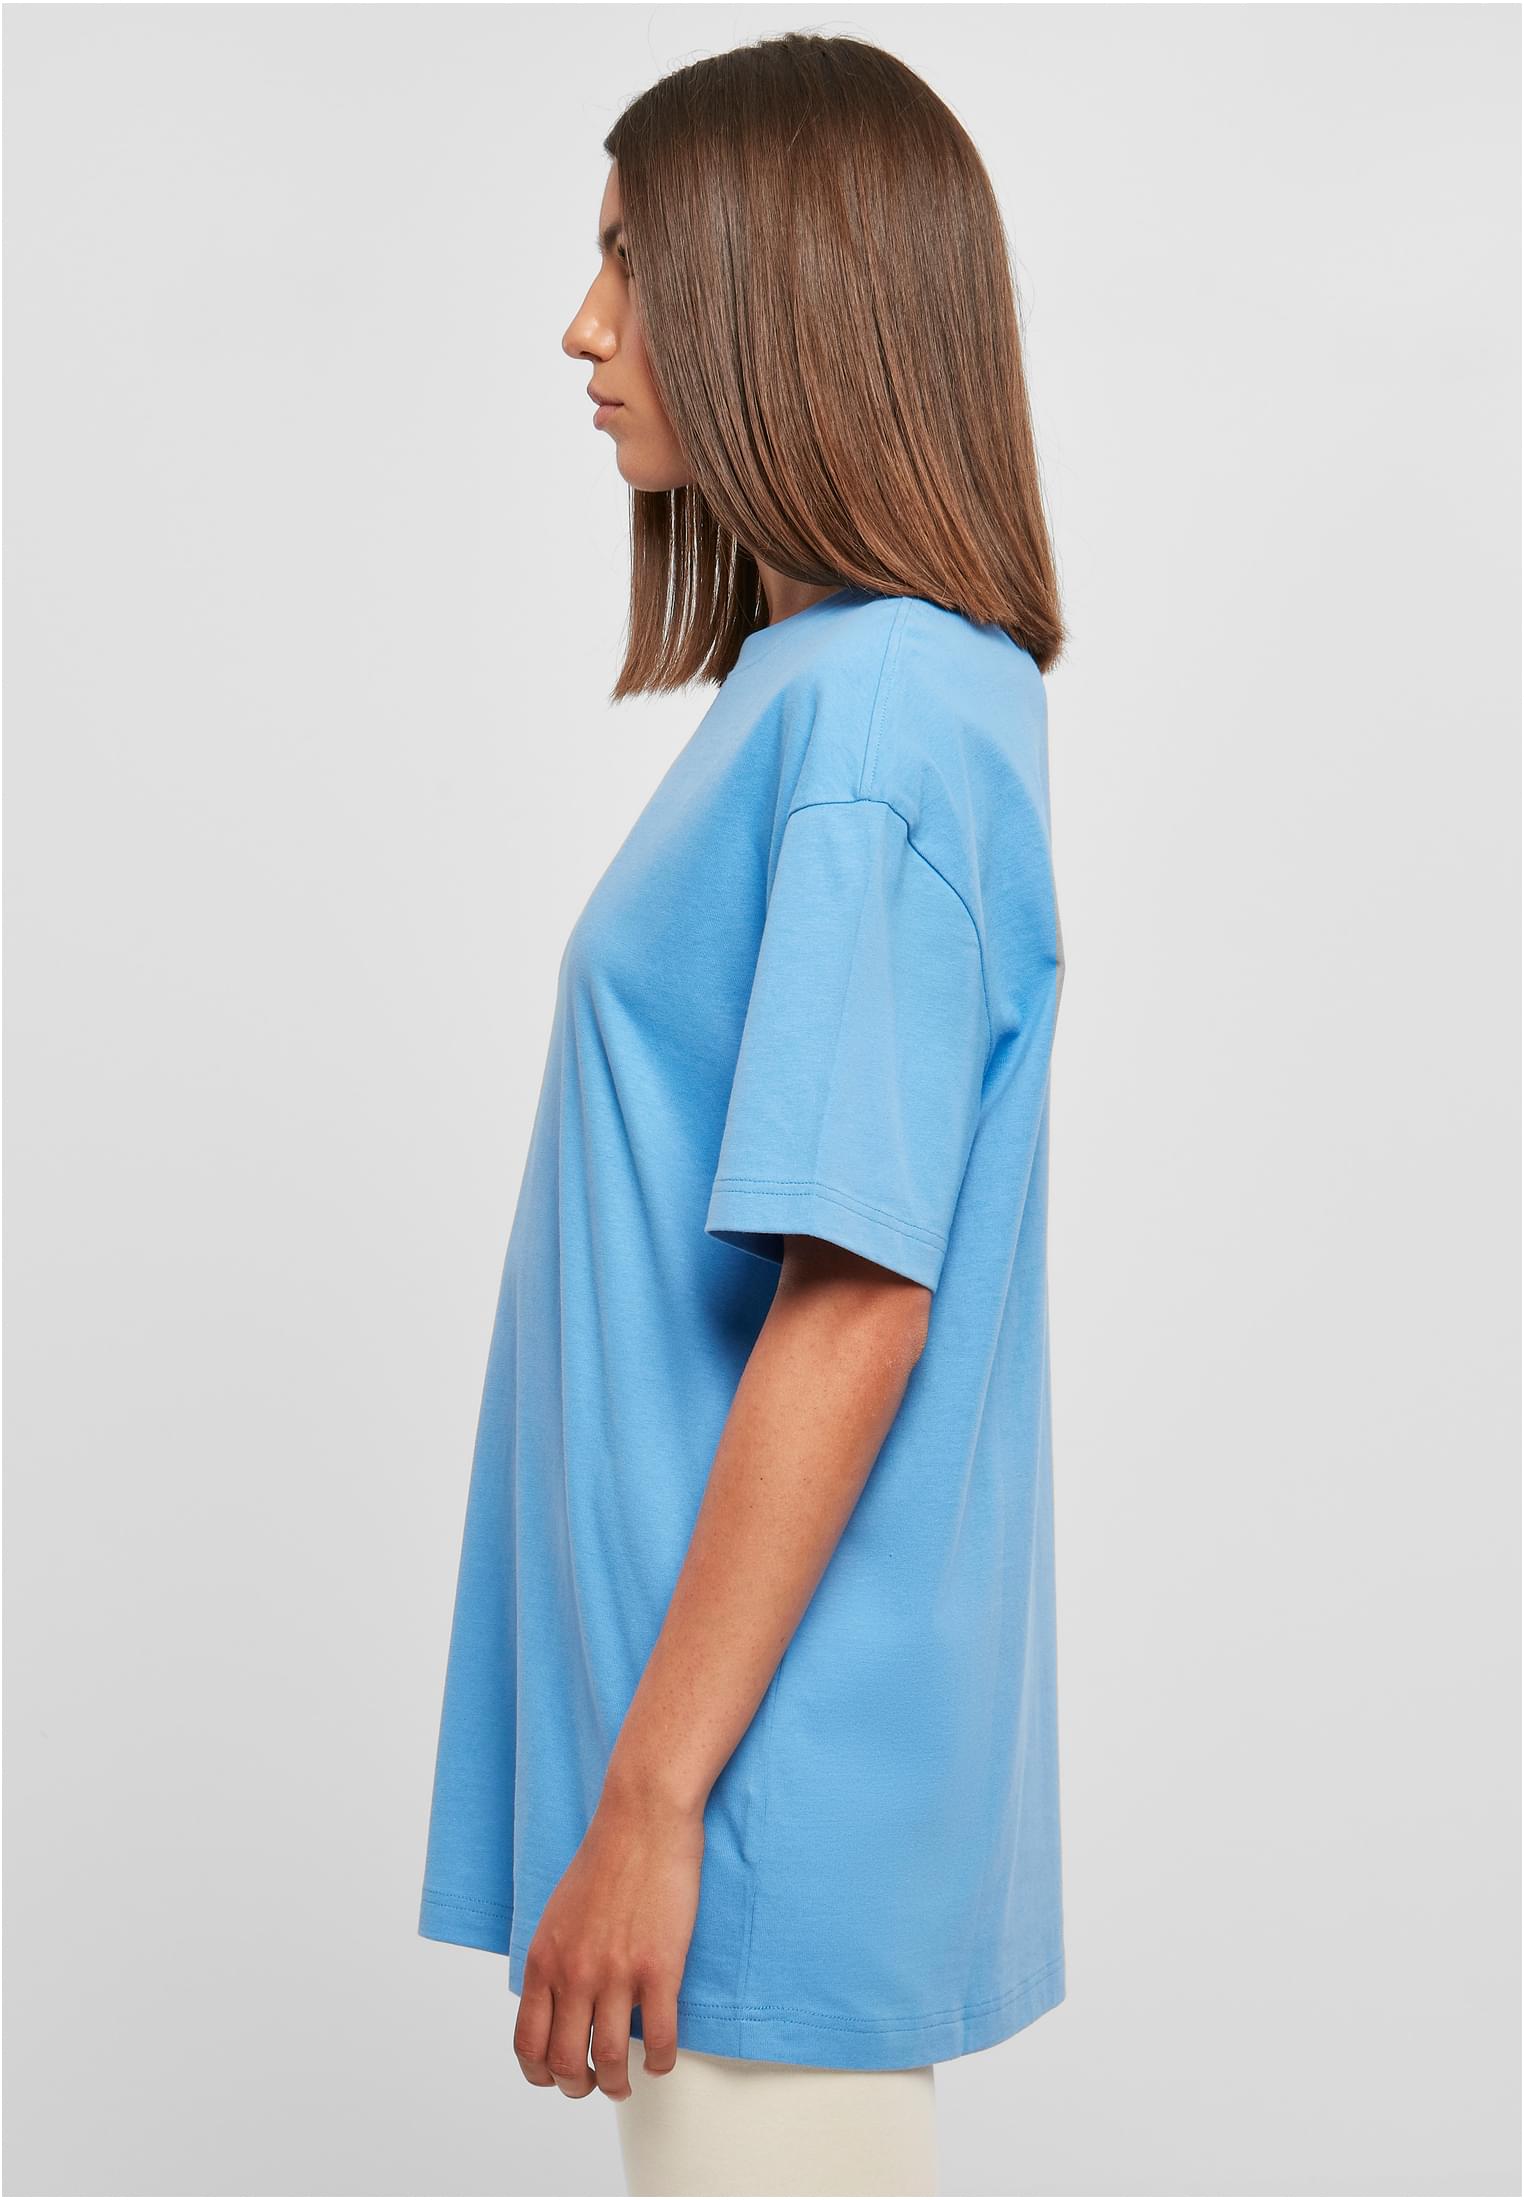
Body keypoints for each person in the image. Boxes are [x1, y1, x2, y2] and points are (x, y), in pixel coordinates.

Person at [419, 30, 1067, 2196]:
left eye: (634, 259)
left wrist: (655, 1798)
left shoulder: (878, 709)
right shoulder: (824, 689)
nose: (582, 324)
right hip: (720, 1763)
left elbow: (858, 1292)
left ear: (787, 298)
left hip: (745, 1793)